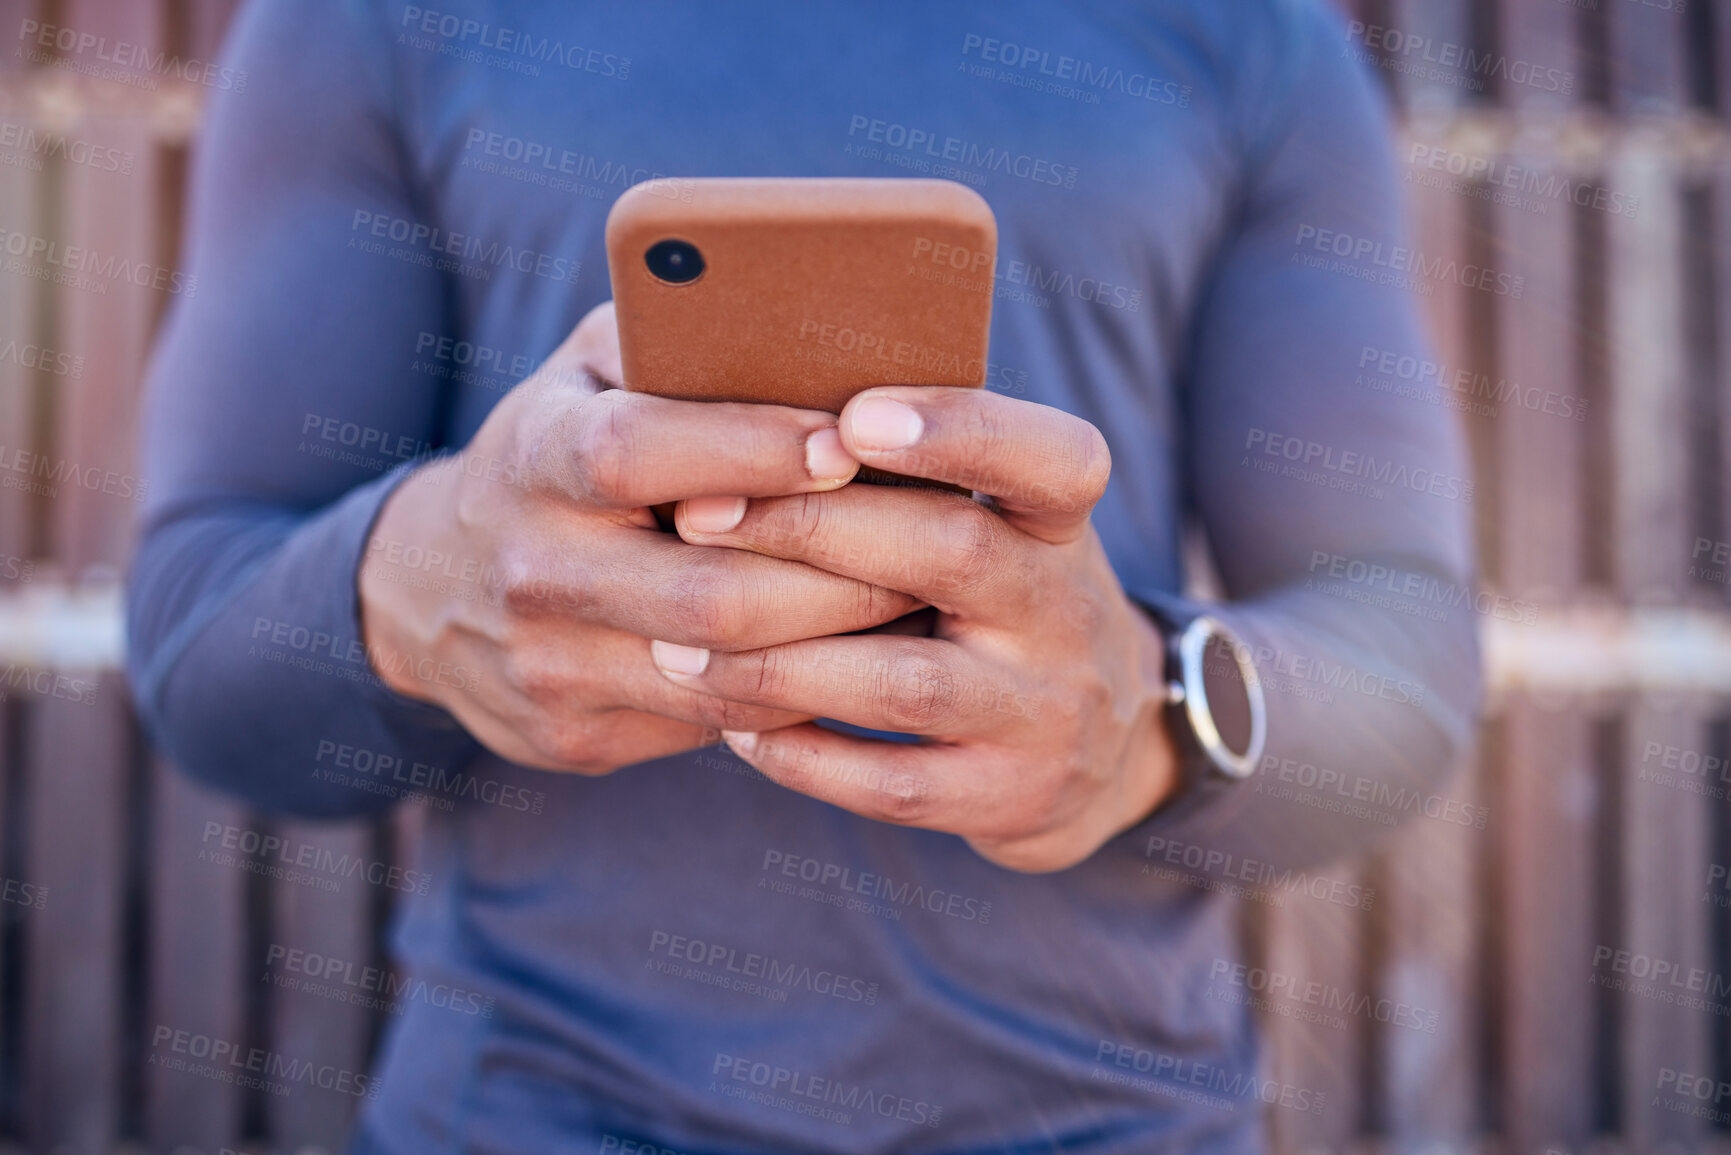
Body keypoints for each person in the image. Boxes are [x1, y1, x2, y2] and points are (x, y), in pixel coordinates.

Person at [126, 0, 1481, 1150]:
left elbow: (1402, 644)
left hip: (1112, 1119)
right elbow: (201, 634)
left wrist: (1147, 715)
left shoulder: (1250, 33)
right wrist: (414, 587)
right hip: (535, 1113)